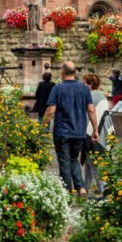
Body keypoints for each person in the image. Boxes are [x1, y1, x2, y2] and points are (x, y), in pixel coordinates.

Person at [43, 62, 98, 197]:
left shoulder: (58, 88)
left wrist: (44, 126)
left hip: (62, 132)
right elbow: (91, 110)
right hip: (79, 132)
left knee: (64, 161)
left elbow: (51, 110)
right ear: (74, 72)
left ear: (62, 72)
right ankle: (81, 188)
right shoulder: (84, 89)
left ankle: (67, 191)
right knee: (74, 159)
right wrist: (95, 130)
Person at [82, 74, 109, 196]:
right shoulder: (103, 96)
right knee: (89, 162)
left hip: (92, 134)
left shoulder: (90, 96)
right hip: (102, 133)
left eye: (84, 83)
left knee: (93, 163)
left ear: (91, 84)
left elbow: (88, 115)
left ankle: (103, 191)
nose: (82, 85)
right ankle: (86, 188)